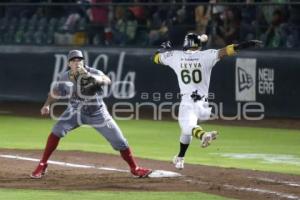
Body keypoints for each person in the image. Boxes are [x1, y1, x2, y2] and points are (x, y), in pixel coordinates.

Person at [31, 50, 152, 178]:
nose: (77, 62)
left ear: (83, 61)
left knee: (120, 142)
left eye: (79, 60)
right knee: (56, 131)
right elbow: (55, 92)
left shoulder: (93, 72)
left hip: (98, 113)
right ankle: (42, 164)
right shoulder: (65, 77)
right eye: (73, 60)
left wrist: (94, 79)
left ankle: (135, 168)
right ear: (68, 63)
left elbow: (107, 80)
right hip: (75, 111)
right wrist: (46, 105)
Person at [153, 33, 262, 169]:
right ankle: (180, 158)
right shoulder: (207, 55)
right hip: (204, 105)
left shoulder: (175, 56)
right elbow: (226, 51)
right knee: (187, 130)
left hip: (188, 102)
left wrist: (162, 49)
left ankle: (204, 135)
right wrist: (245, 45)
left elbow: (156, 58)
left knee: (187, 127)